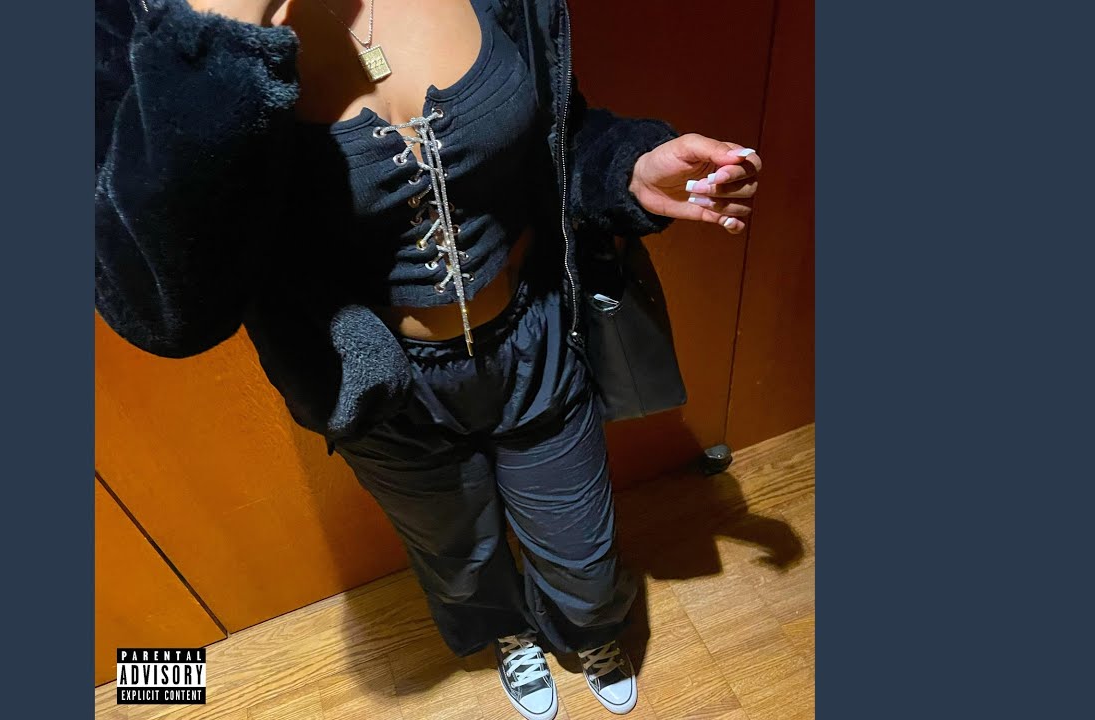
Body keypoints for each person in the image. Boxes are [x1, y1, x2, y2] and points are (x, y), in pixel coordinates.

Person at [95, 0, 761, 717]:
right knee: (457, 557)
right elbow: (166, 307)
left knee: (584, 552)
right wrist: (214, 38)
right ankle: (507, 634)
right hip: (381, 392)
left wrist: (627, 168)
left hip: (534, 340)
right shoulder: (131, 23)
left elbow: (558, 131)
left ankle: (589, 630)